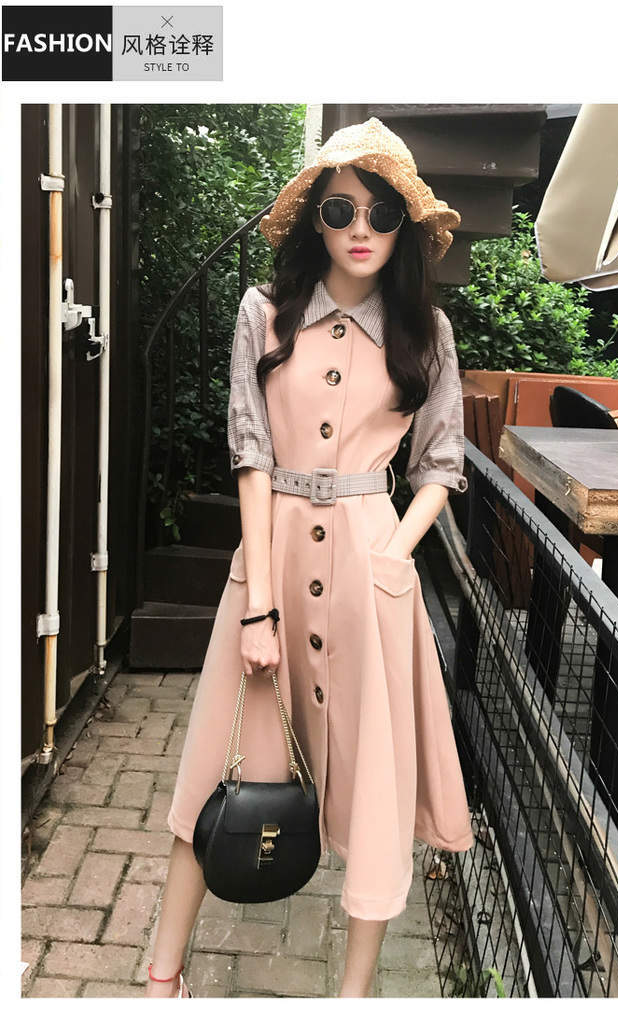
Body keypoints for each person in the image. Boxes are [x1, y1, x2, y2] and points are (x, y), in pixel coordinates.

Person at [145, 116, 474, 999]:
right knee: (217, 762)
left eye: (381, 212)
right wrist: (257, 602)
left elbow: (440, 465)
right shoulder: (265, 314)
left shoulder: (426, 333)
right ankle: (160, 980)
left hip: (373, 572)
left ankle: (352, 998)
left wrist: (391, 555)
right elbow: (251, 455)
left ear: (404, 226)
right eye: (339, 209)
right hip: (274, 560)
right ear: (315, 220)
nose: (360, 228)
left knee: (376, 789)